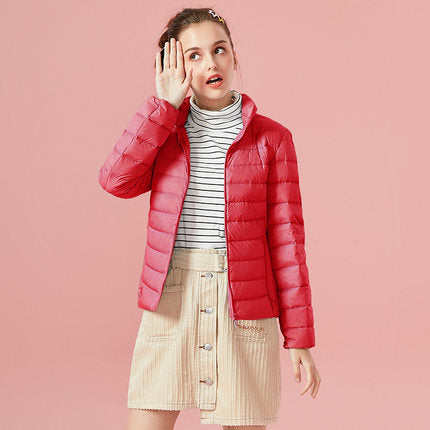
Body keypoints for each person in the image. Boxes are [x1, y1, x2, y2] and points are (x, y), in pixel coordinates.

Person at [98, 7, 321, 430]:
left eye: (219, 50)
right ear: (175, 68)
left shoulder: (273, 139)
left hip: (245, 301)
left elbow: (288, 243)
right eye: (194, 56)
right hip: (171, 296)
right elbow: (115, 180)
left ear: (234, 56)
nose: (211, 64)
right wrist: (162, 107)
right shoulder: (165, 130)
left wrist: (299, 338)